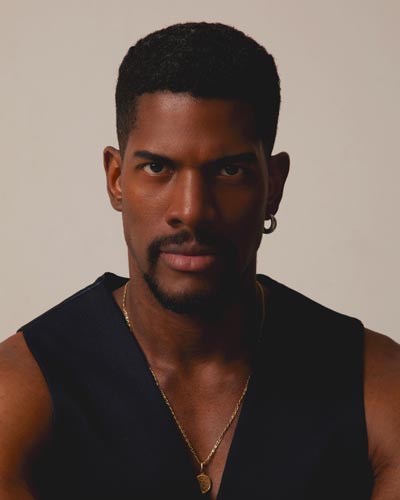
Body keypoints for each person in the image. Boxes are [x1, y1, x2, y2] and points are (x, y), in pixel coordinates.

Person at [0, 22, 399, 500]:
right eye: (157, 167)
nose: (191, 211)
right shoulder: (20, 390)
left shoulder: (375, 385)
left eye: (229, 170)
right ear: (116, 179)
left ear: (273, 186)